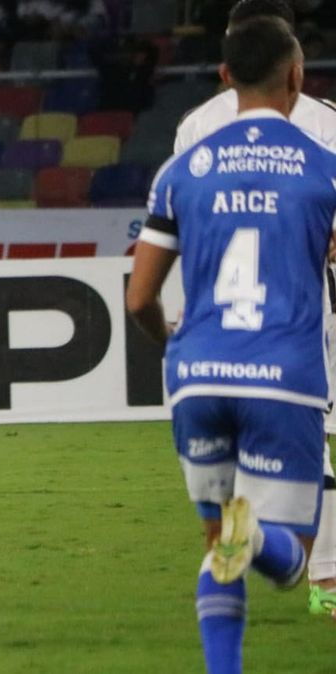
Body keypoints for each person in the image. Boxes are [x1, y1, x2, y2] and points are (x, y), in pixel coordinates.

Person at [127, 16, 336, 673]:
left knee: (220, 544)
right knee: (290, 560)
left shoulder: (182, 168)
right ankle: (262, 534)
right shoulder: (324, 165)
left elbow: (138, 299)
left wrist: (171, 345)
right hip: (285, 374)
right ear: (297, 77)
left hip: (197, 373)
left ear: (224, 76)